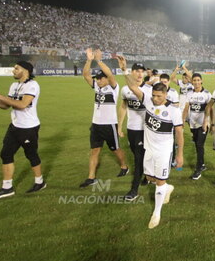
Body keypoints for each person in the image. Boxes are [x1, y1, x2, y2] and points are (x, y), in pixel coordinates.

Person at [0, 61, 46, 200]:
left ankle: (40, 182)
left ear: (25, 70)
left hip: (28, 128)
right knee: (5, 154)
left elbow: (22, 104)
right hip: (14, 126)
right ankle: (7, 188)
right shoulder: (14, 85)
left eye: (16, 68)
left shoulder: (32, 85)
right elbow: (5, 106)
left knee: (31, 155)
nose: (13, 70)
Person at [124, 71, 184, 229]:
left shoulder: (174, 111)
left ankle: (156, 213)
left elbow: (179, 133)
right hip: (148, 149)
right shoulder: (147, 101)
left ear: (165, 94)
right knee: (150, 178)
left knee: (159, 182)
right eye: (154, 95)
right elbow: (132, 86)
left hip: (163, 152)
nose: (155, 99)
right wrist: (124, 70)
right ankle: (168, 188)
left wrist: (179, 154)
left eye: (159, 96)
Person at [79, 48, 129, 188]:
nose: (98, 80)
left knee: (116, 149)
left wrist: (98, 60)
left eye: (101, 78)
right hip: (96, 125)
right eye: (97, 78)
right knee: (94, 151)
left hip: (109, 125)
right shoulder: (97, 87)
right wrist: (89, 60)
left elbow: (110, 75)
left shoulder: (113, 87)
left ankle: (124, 166)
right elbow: (86, 75)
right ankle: (91, 177)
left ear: (107, 79)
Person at [117, 59, 150, 201]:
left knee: (138, 158)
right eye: (137, 71)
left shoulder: (149, 90)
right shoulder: (125, 90)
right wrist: (119, 125)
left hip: (145, 130)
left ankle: (134, 189)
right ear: (132, 72)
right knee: (138, 155)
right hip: (132, 129)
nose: (140, 74)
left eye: (142, 71)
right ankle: (147, 175)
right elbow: (124, 106)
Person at [183, 73, 212, 180]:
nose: (196, 82)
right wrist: (182, 120)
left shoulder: (207, 94)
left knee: (199, 145)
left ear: (201, 81)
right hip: (192, 124)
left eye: (198, 80)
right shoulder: (189, 93)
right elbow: (186, 108)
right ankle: (202, 164)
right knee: (197, 145)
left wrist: (210, 123)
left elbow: (210, 109)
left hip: (203, 124)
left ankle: (198, 169)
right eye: (194, 80)